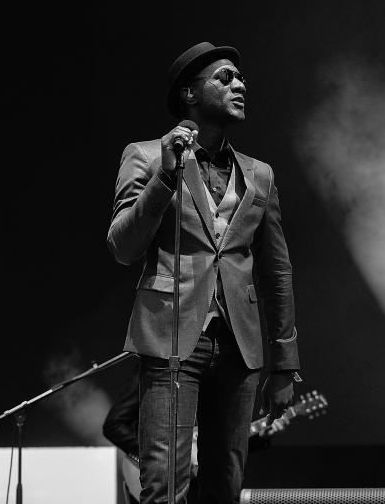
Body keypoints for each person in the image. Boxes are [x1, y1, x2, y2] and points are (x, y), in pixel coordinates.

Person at [107, 42, 300, 504]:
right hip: (172, 336)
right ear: (190, 94)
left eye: (241, 78)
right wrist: (165, 178)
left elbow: (276, 273)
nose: (240, 84)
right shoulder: (147, 156)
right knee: (164, 488)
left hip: (240, 347)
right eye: (226, 78)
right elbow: (122, 247)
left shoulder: (259, 175)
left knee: (224, 490)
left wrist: (285, 363)